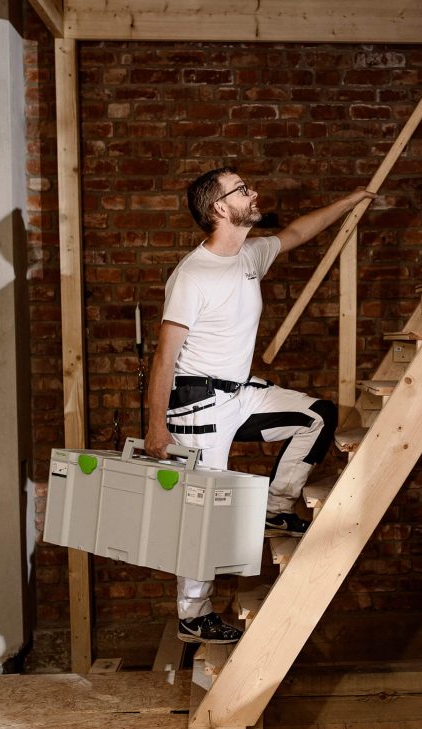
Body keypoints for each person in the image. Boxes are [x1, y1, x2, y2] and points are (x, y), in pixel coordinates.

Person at [145, 166, 377, 644]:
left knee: (318, 416)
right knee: (203, 511)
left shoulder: (250, 255)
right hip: (197, 406)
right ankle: (193, 615)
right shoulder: (192, 276)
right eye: (243, 190)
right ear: (219, 209)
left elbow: (295, 232)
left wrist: (350, 199)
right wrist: (155, 429)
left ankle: (275, 507)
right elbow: (164, 359)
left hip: (239, 392)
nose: (255, 194)